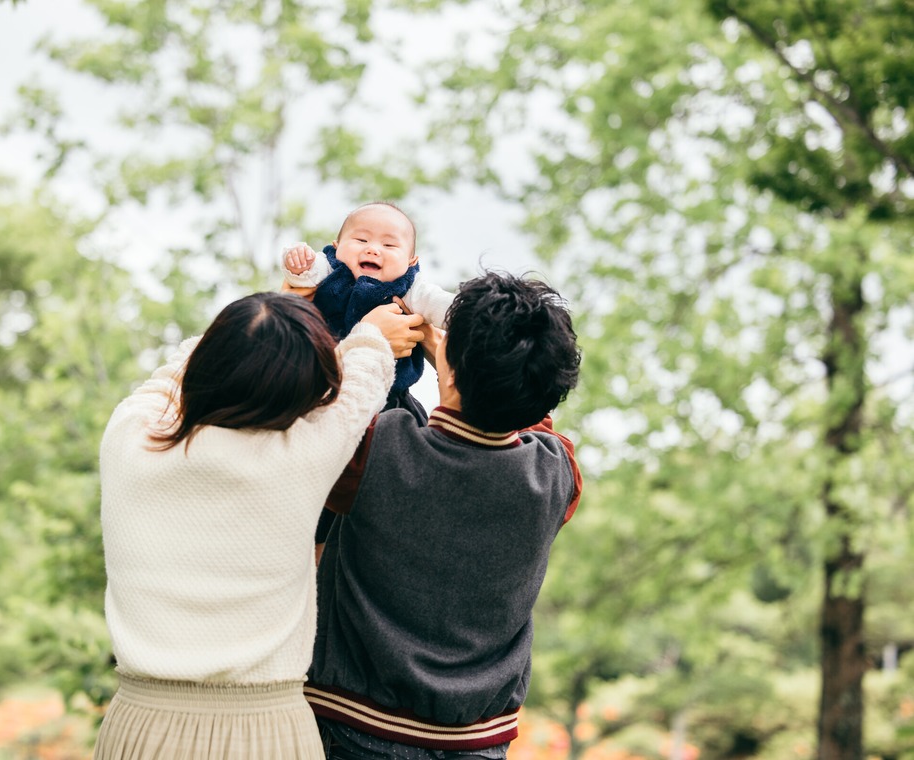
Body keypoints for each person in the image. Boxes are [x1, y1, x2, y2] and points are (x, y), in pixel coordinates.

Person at [94, 291, 424, 760]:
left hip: (141, 726)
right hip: (266, 733)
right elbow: (359, 389)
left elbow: (172, 376)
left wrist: (260, 322)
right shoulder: (301, 456)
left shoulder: (128, 436)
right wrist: (369, 335)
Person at [305, 272, 584, 759]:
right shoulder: (555, 474)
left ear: (449, 369)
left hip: (351, 726)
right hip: (476, 740)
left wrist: (365, 343)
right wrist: (457, 361)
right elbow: (531, 408)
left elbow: (322, 423)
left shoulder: (379, 448)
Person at [282, 201, 455, 420]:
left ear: (411, 262)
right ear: (337, 247)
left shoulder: (409, 287)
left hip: (390, 399)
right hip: (324, 386)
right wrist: (297, 261)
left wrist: (471, 314)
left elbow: (439, 304)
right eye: (361, 240)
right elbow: (303, 273)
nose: (372, 249)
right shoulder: (330, 270)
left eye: (389, 245)